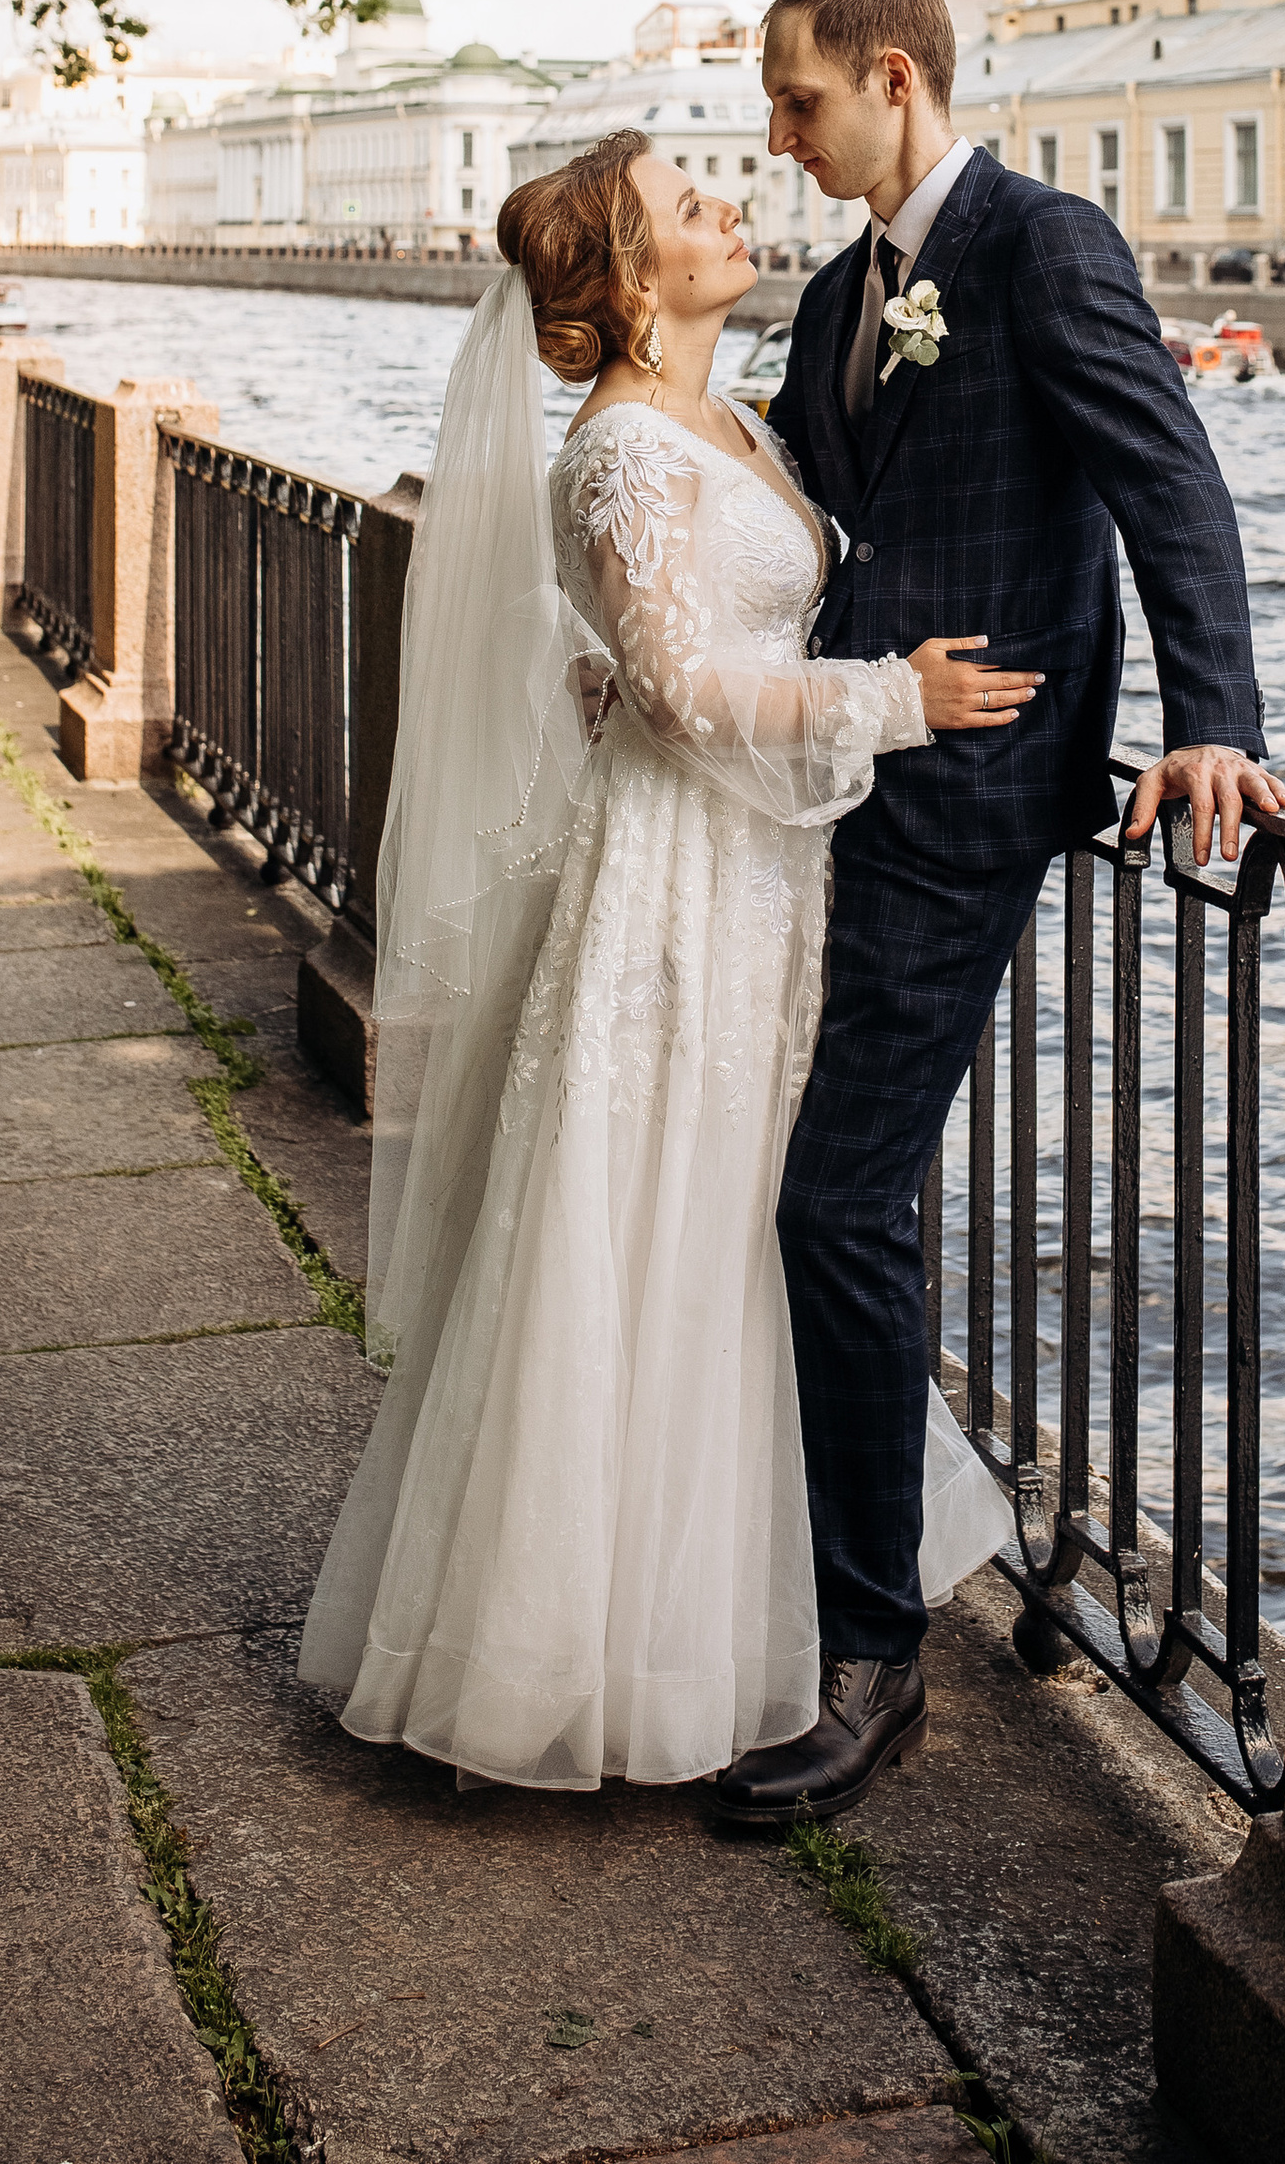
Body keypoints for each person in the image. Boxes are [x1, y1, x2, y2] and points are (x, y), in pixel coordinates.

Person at [297, 133, 1019, 1791]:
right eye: (693, 207)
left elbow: (647, 657)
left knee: (748, 1220)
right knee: (660, 1217)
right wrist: (898, 699)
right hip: (678, 880)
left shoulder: (737, 421)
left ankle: (759, 1608)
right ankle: (597, 1657)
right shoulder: (621, 447)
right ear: (632, 281)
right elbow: (686, 694)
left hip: (769, 872)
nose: (731, 207)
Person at [711, 0, 1279, 1832]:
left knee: (833, 1201)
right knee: (805, 1193)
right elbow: (805, 513)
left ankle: (874, 1661)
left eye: (799, 99)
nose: (779, 136)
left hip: (968, 798)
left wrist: (1213, 720)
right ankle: (817, 1584)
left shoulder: (1042, 247)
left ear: (896, 77)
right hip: (837, 778)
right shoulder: (835, 293)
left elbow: (1168, 480)